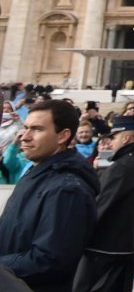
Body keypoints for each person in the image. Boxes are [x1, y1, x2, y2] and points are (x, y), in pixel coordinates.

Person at [0, 100, 99, 292]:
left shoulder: (68, 189)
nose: (25, 136)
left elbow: (49, 260)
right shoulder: (36, 173)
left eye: (36, 129)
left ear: (63, 136)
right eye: (26, 128)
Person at [73, 115, 134, 292]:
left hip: (104, 250)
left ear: (126, 138)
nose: (110, 143)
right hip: (127, 248)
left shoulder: (122, 167)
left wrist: (77, 236)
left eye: (114, 137)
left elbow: (100, 206)